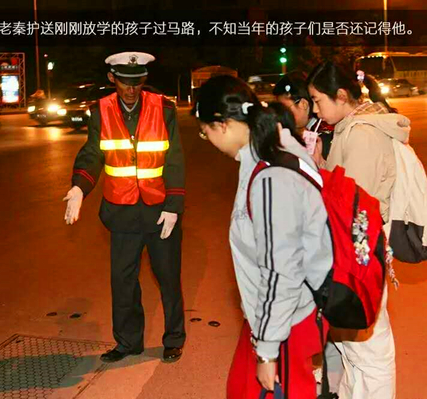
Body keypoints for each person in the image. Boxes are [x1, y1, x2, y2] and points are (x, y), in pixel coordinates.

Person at [193, 75, 333, 398]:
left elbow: (282, 269)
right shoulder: (267, 146)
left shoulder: (271, 174)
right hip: (270, 316)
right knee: (240, 388)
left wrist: (268, 351)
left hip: (287, 320)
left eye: (206, 132)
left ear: (223, 124)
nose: (207, 140)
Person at [63, 52, 186, 363]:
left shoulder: (164, 108)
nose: (131, 89)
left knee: (168, 276)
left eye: (137, 82)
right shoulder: (99, 111)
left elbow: (174, 158)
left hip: (160, 210)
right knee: (122, 280)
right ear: (112, 79)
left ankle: (173, 339)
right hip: (122, 210)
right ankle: (128, 342)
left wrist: (173, 204)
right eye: (124, 82)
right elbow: (93, 152)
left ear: (143, 80)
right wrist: (80, 186)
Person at [308, 61, 406, 399]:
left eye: (318, 101)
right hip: (356, 252)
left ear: (341, 95)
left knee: (371, 351)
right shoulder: (350, 128)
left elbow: (355, 204)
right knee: (354, 349)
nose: (316, 109)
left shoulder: (363, 135)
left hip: (363, 255)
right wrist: (321, 163)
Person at [274, 72, 334, 165]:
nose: (281, 115)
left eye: (285, 109)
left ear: (303, 104)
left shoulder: (323, 136)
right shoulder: (297, 133)